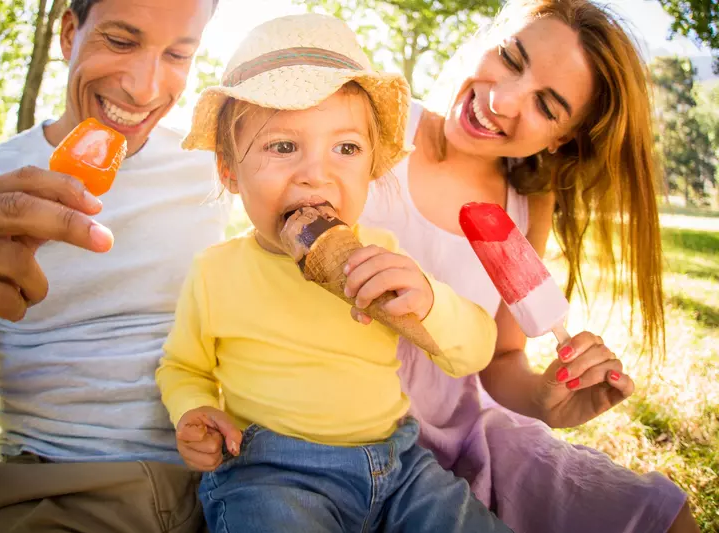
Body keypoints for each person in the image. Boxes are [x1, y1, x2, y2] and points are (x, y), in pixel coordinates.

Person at [156, 14, 512, 533]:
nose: (315, 173)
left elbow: (474, 351)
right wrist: (195, 410)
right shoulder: (217, 272)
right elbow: (181, 367)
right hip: (270, 472)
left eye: (346, 148)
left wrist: (430, 300)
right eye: (283, 146)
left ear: (370, 167)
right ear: (230, 172)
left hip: (399, 468)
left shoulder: (384, 256)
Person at [358, 0, 699, 531]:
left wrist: (542, 398)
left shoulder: (526, 203)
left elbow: (501, 357)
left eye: (548, 104)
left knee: (669, 518)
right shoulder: (375, 123)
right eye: (510, 58)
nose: (502, 99)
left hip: (465, 433)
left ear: (562, 137)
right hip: (343, 417)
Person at [0, 1, 225, 531]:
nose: (145, 89)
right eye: (122, 41)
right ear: (67, 33)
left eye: (178, 53)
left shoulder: (212, 169)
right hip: (65, 486)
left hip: (224, 474)